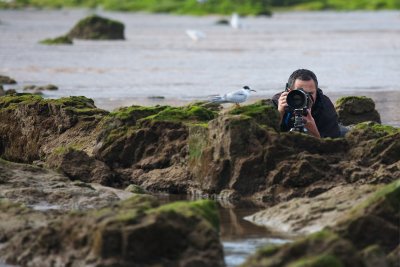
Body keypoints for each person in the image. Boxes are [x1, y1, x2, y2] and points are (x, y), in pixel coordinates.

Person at [272, 69, 340, 138]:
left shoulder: (325, 106)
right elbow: (267, 137)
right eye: (300, 93)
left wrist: (313, 129)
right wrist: (279, 114)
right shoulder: (278, 102)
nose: (306, 98)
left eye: (310, 93)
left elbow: (331, 144)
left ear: (317, 92)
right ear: (289, 91)